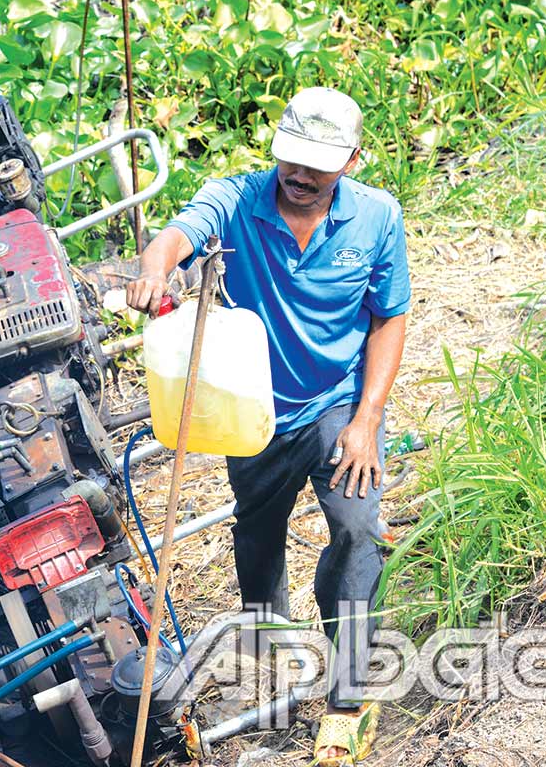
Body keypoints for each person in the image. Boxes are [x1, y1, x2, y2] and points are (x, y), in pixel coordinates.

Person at [125, 87, 410, 766]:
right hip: (251, 409)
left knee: (356, 525)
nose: (301, 176)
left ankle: (346, 695)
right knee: (258, 526)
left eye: (318, 165)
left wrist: (367, 418)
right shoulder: (237, 200)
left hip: (338, 404)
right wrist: (153, 270)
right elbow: (177, 236)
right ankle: (267, 629)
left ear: (351, 160)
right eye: (292, 160)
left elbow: (389, 316)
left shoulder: (377, 218)